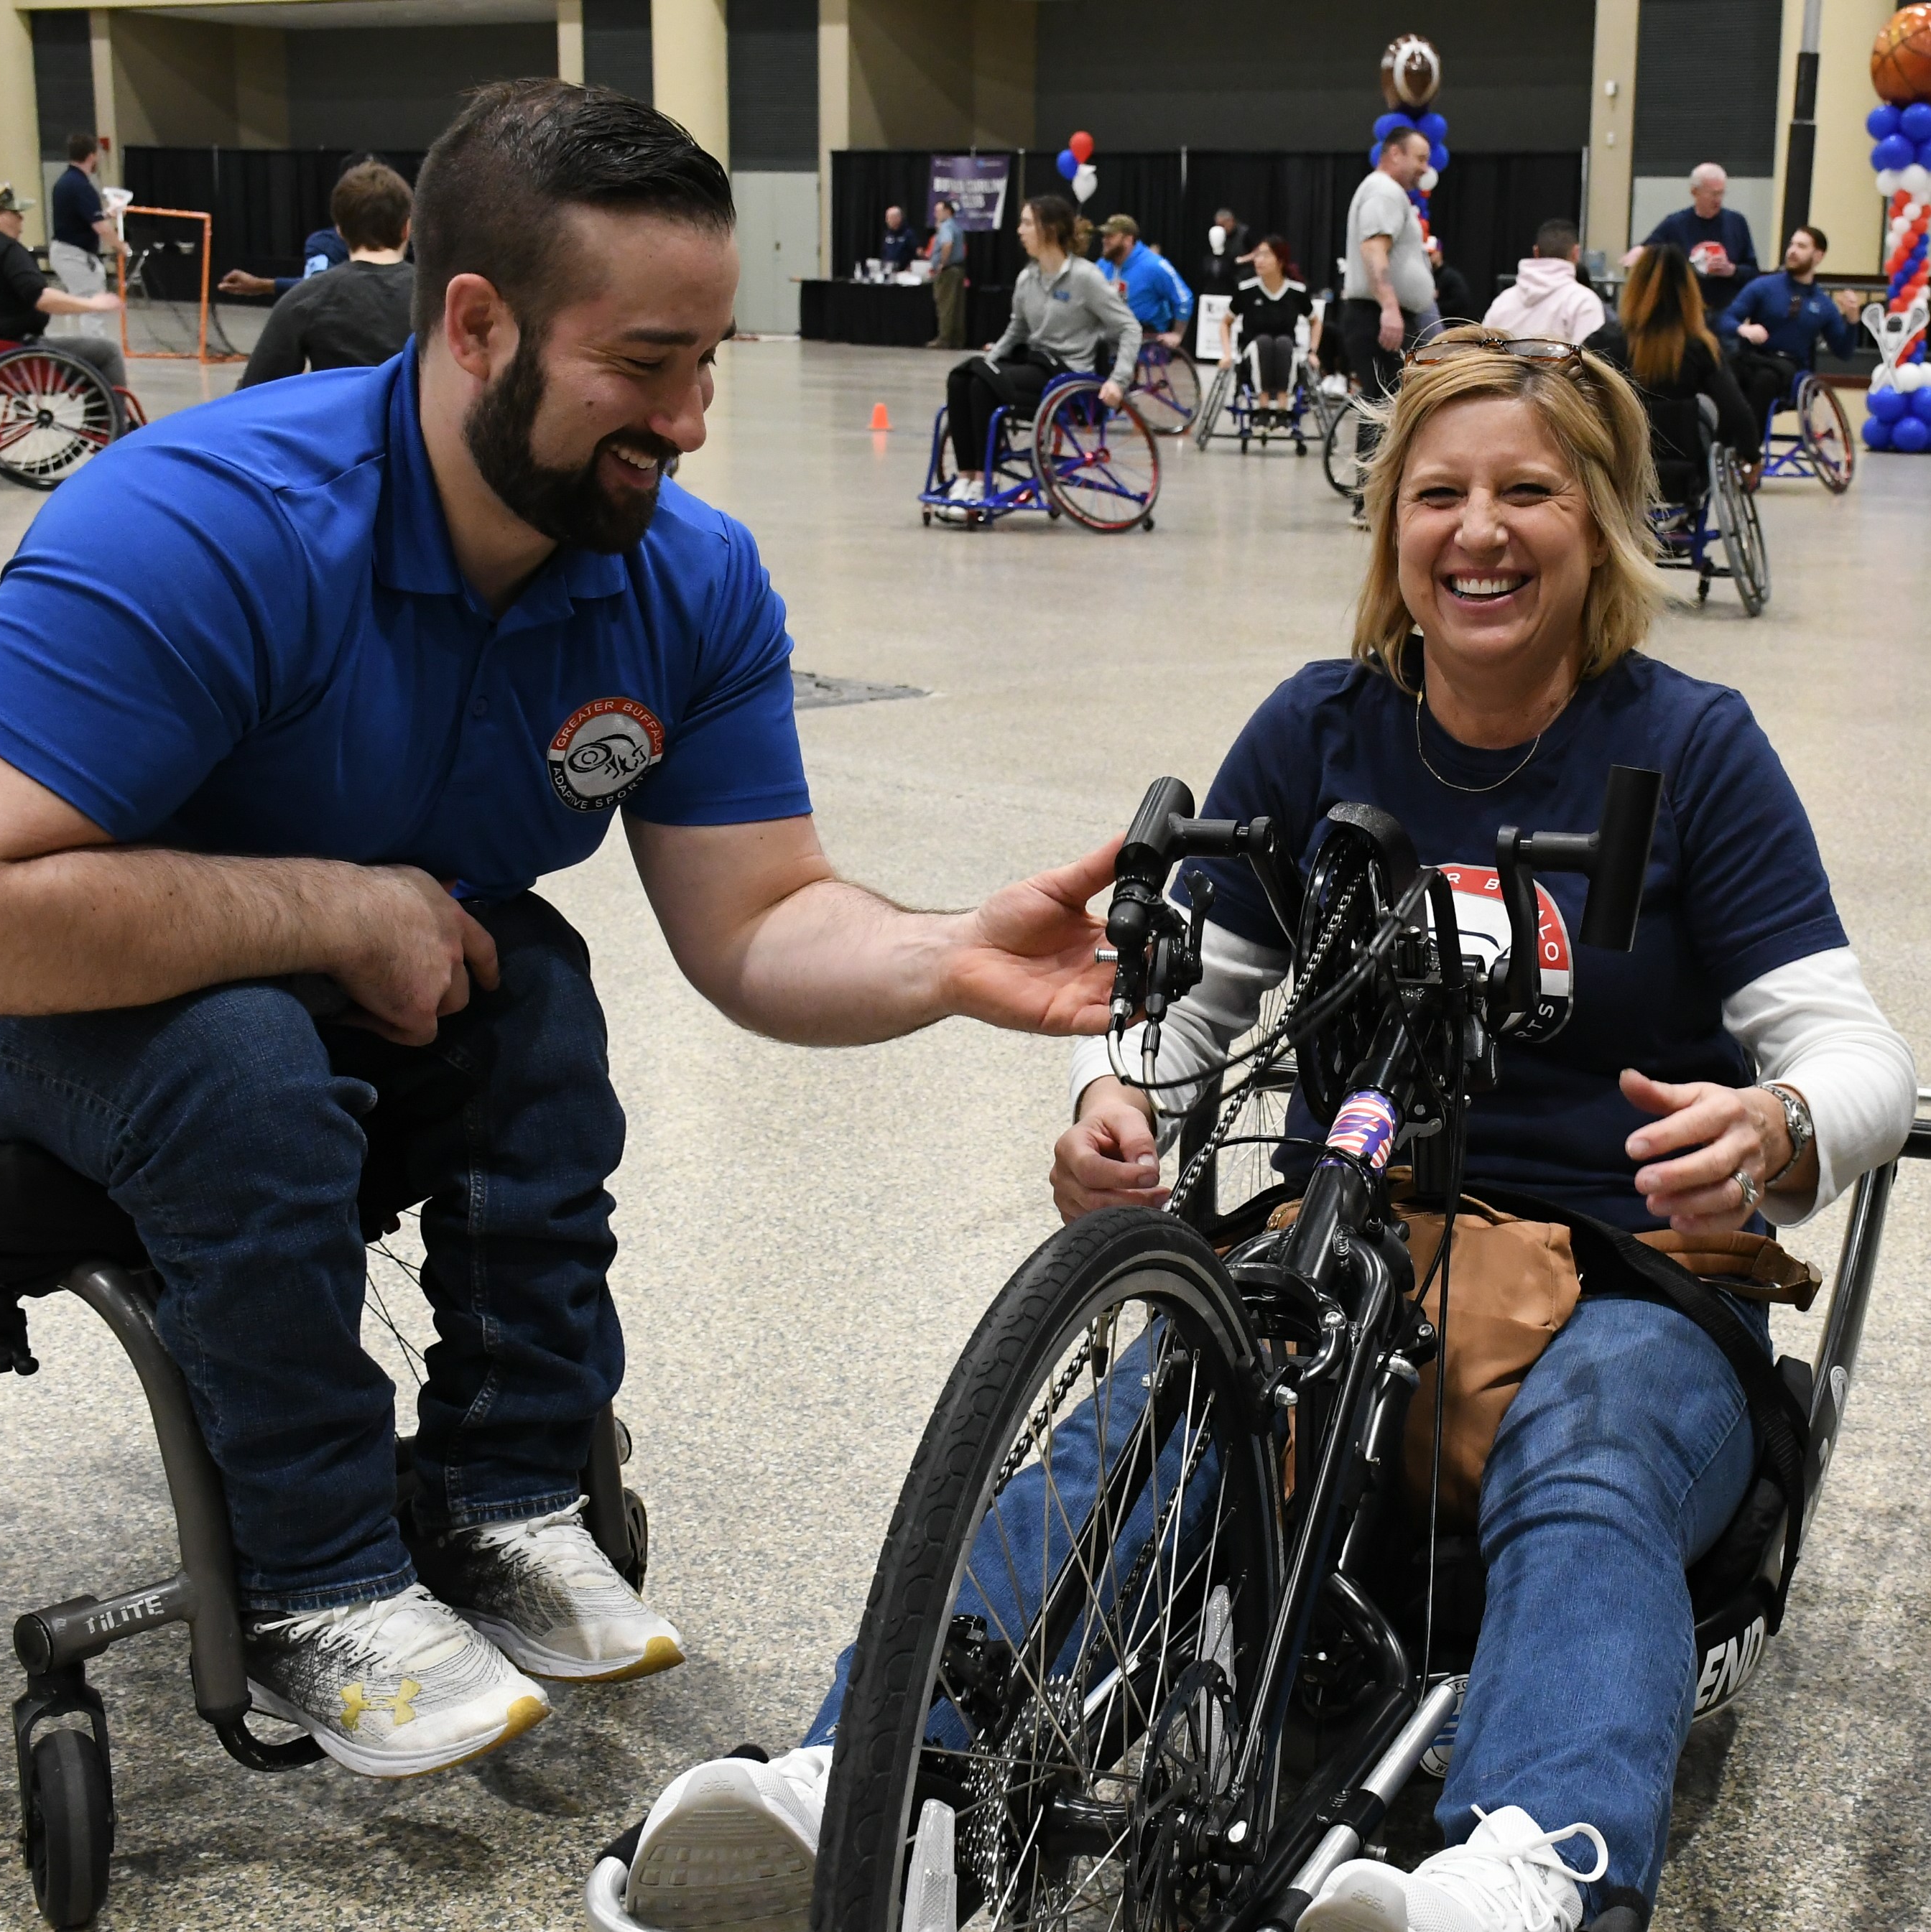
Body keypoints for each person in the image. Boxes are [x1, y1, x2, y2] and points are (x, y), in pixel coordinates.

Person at [0, 83, 1119, 1785]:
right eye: (646, 363)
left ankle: (508, 1487)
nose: (688, 418)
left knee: (533, 983)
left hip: (317, 1002)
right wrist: (327, 905)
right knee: (234, 1047)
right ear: (474, 324)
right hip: (2, 986)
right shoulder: (211, 523)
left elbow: (760, 918)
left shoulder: (684, 579)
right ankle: (313, 1578)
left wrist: (949, 954)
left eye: (711, 359)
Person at [603, 329, 1917, 1932]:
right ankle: (874, 1791)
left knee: (1588, 1465)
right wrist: (1111, 1101)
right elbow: (1187, 1013)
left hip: (1630, 1272)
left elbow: (1858, 1059)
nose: (1476, 529)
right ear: (1389, 531)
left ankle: (1522, 1871)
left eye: (1528, 492)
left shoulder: (1691, 751)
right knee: (1129, 1435)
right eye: (1435, 493)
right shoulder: (1317, 732)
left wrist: (1776, 1125)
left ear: (1601, 525)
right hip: (1347, 1249)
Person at [937, 195, 1138, 516]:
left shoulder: (1085, 278)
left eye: (1027, 223)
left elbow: (1130, 327)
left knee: (981, 384)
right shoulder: (1027, 278)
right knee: (961, 377)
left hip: (1067, 376)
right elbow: (1016, 331)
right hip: (1036, 365)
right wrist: (989, 361)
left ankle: (982, 483)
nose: (1020, 230)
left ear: (1050, 229)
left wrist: (1119, 380)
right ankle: (966, 476)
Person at [1587, 243, 1760, 500]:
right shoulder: (1700, 347)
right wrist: (1752, 457)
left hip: (1617, 475)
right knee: (1705, 411)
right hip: (1683, 475)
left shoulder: (1604, 341)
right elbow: (1736, 409)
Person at [0, 181, 129, 410]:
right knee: (107, 352)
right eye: (16, 213)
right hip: (20, 355)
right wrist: (93, 304)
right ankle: (119, 426)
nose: (21, 219)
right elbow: (43, 299)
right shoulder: (5, 249)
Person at [1340, 124, 1441, 523]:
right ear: (1394, 154)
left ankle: (1375, 502)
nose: (1424, 169)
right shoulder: (1383, 191)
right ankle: (1369, 504)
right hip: (1377, 316)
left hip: (1388, 314)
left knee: (1389, 405)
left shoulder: (1391, 194)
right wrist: (1389, 307)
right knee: (1383, 406)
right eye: (1419, 158)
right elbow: (1373, 250)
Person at [239, 161, 416, 387]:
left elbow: (256, 390)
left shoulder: (306, 298)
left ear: (340, 230)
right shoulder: (438, 297)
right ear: (407, 228)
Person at [1715, 223, 1866, 427]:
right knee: (1726, 372)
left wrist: (1853, 319)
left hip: (1789, 369)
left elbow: (1843, 352)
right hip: (1753, 358)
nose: (1793, 251)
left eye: (1802, 247)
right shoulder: (1763, 287)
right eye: (1792, 245)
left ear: (1818, 256)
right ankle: (1719, 442)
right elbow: (1726, 320)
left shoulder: (1823, 304)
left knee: (1764, 380)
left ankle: (1749, 448)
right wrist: (1743, 328)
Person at [218, 152, 384, 299]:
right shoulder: (324, 244)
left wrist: (262, 285)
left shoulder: (402, 242)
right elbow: (318, 287)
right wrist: (262, 285)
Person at [1624, 163, 1758, 315]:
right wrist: (1639, 252)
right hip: (1686, 312)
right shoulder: (1675, 224)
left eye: (1722, 193)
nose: (1718, 200)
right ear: (1695, 192)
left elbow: (1753, 271)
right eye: (1713, 194)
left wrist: (1732, 270)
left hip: (1725, 312)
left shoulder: (1737, 223)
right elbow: (1650, 248)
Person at [1219, 233, 1310, 409]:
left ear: (1280, 260)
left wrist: (1313, 351)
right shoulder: (1247, 290)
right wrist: (1227, 354)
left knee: (1284, 343)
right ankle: (1263, 406)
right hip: (1252, 351)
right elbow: (1225, 323)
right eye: (1257, 255)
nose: (1259, 260)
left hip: (1286, 351)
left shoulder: (1296, 291)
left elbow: (1315, 322)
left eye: (1266, 255)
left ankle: (1284, 406)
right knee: (1264, 342)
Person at [1483, 219, 1608, 345]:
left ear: (1536, 251)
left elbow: (1483, 349)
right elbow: (1590, 358)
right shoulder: (1584, 301)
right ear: (1576, 253)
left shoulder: (1503, 301)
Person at [47, 134, 119, 343]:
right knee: (92, 304)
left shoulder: (66, 182)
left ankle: (93, 347)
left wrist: (106, 214)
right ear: (92, 156)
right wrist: (121, 247)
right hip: (73, 254)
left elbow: (86, 217)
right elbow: (100, 228)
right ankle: (96, 353)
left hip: (67, 251)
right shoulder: (81, 186)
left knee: (89, 302)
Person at [1097, 213, 1191, 349]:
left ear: (1128, 240)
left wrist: (1177, 334)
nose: (1104, 240)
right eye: (1104, 236)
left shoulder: (1154, 265)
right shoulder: (1102, 265)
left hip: (1143, 336)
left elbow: (1184, 299)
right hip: (1107, 333)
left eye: (1110, 236)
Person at [925, 195, 964, 349]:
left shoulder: (947, 227)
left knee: (945, 306)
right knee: (957, 307)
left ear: (948, 211)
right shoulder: (956, 226)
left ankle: (944, 339)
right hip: (958, 269)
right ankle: (957, 339)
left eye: (938, 211)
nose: (936, 214)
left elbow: (947, 244)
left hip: (948, 271)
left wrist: (942, 263)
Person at [1427, 234, 1476, 322]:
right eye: (1425, 254)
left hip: (1449, 325)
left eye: (1430, 254)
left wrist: (1433, 308)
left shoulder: (1450, 276)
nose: (1428, 258)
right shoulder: (1428, 275)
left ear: (1439, 252)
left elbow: (1462, 302)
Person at [879, 204, 918, 271]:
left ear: (898, 218)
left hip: (903, 272)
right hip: (888, 270)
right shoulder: (887, 234)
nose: (887, 221)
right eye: (887, 218)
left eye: (890, 218)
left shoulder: (908, 234)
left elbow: (914, 252)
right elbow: (884, 252)